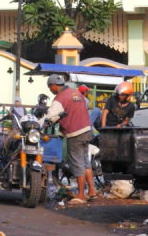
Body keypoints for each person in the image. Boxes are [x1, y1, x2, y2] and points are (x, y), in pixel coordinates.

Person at [43, 74, 97, 204]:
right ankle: (92, 190)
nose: (50, 90)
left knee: (77, 163)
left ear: (54, 85)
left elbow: (51, 117)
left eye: (50, 87)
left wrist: (43, 122)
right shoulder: (76, 93)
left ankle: (81, 195)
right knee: (85, 162)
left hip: (75, 133)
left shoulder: (60, 98)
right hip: (87, 130)